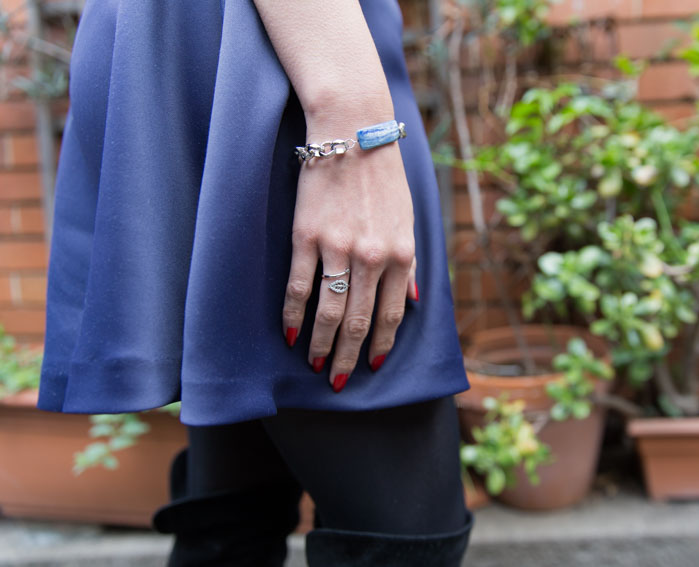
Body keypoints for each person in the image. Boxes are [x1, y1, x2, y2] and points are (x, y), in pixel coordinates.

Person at [35, 1, 473, 565]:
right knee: (403, 537)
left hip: (219, 46)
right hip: (285, 53)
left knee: (235, 509)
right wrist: (353, 120)